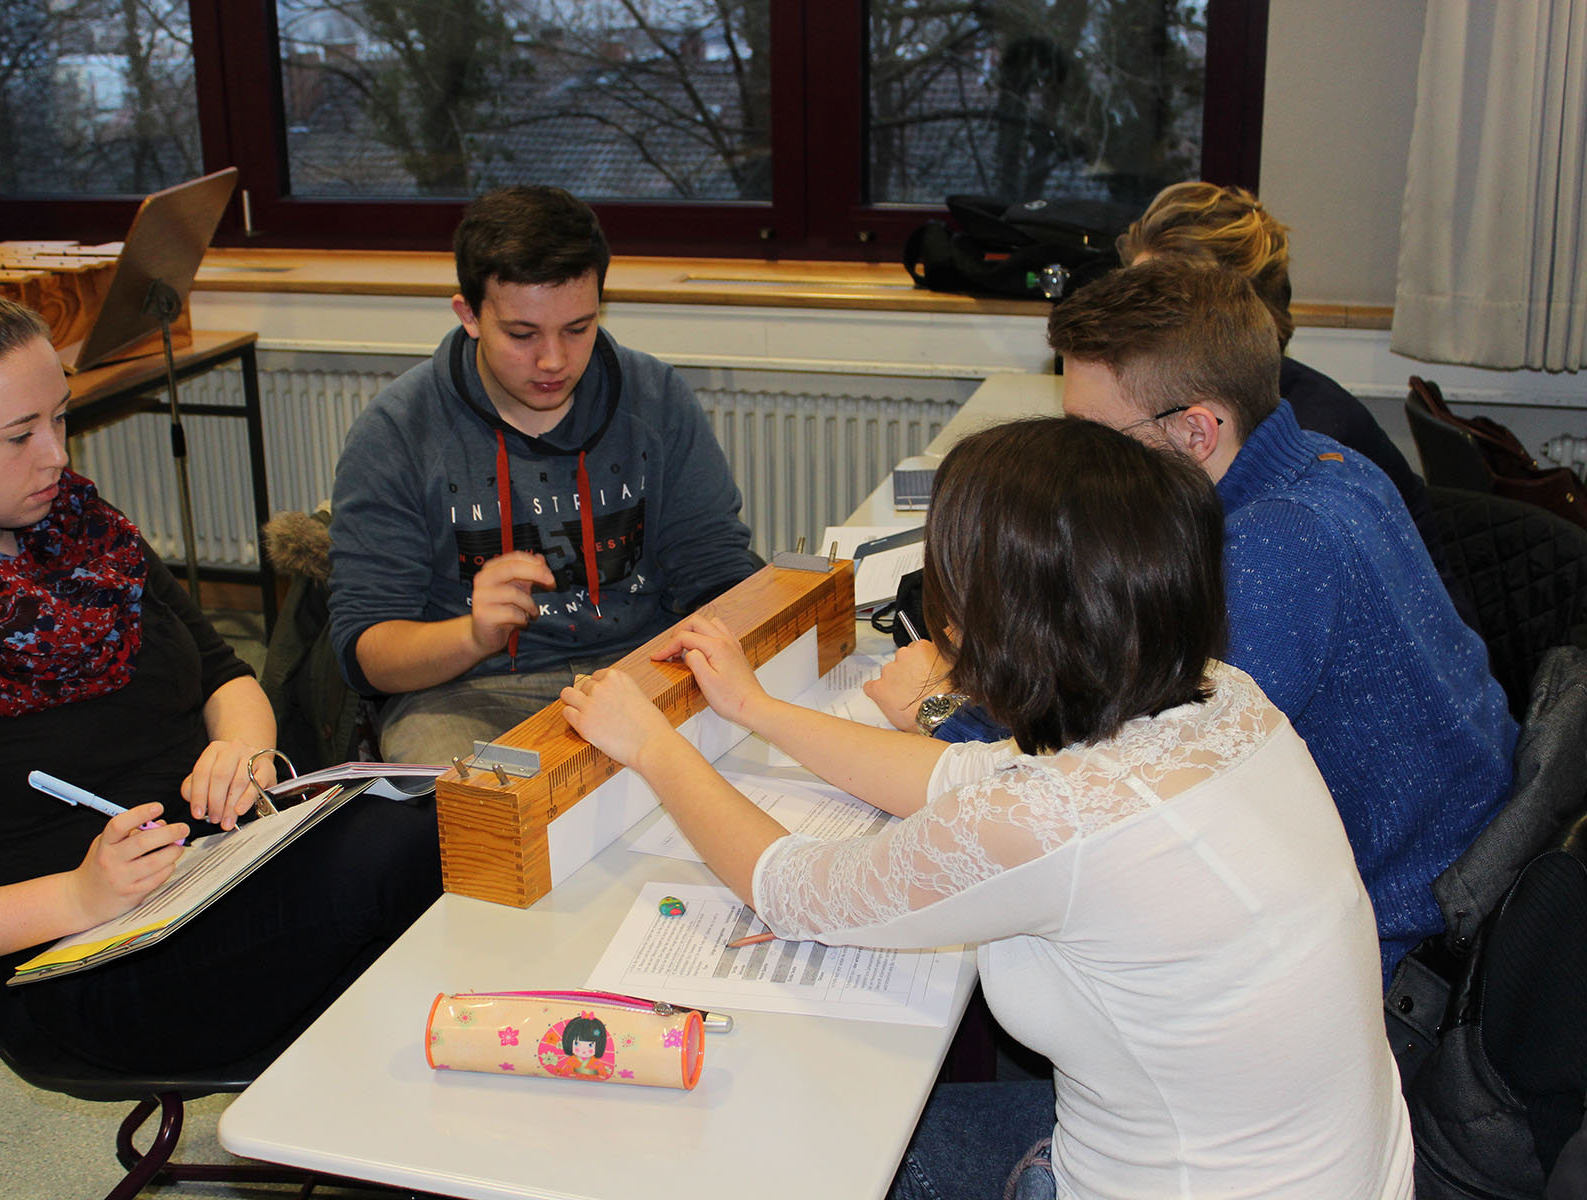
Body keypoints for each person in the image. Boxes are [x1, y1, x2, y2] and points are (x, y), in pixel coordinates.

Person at [561, 417, 1414, 1199]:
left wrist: (654, 747)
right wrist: (758, 709)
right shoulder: (1225, 698)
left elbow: (793, 891)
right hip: (1345, 1175)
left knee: (804, 1144)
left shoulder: (1059, 817)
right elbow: (962, 774)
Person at [0, 283, 441, 1074]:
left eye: (59, 419)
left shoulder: (86, 540)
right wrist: (77, 895)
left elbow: (224, 675)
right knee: (404, 854)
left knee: (438, 826)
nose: (57, 455)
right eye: (20, 434)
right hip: (83, 965)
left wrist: (241, 749)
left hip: (214, 873)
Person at [872, 261, 1514, 987]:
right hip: (1439, 875)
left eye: (1094, 437)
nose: (1070, 460)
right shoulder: (1330, 466)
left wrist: (940, 710)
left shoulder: (1267, 556)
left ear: (1197, 430)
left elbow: (1100, 790)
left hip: (1392, 950)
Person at [327, 185, 757, 766]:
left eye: (578, 328)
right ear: (469, 315)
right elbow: (366, 652)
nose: (553, 360)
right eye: (522, 335)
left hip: (640, 666)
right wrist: (472, 635)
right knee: (464, 804)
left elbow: (716, 572)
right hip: (468, 691)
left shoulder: (655, 398)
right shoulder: (398, 432)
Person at [1117, 181, 1464, 612]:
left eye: (1159, 312)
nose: (1130, 331)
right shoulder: (1198, 405)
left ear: (1241, 322)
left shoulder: (1308, 447)